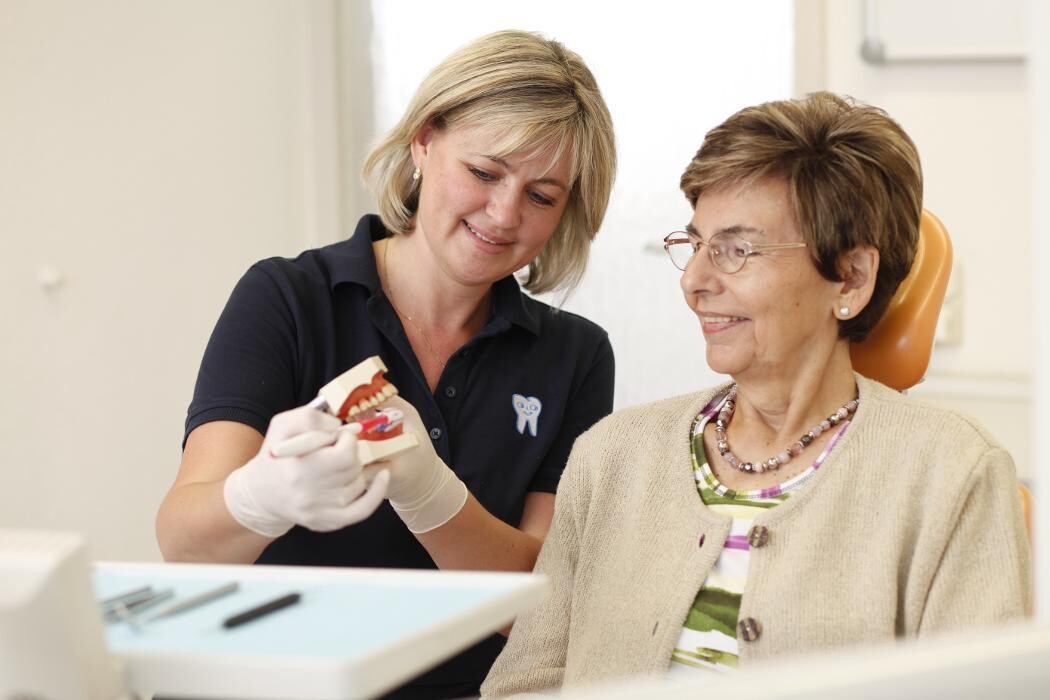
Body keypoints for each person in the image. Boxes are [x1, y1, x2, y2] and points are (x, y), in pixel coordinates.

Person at [481, 92, 1031, 697]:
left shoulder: (953, 474)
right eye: (695, 245)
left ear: (850, 278)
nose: (694, 282)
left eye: (737, 250)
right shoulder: (611, 457)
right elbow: (523, 684)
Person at [155, 29, 616, 699]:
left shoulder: (574, 355)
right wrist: (264, 496)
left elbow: (539, 605)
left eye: (542, 196)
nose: (503, 213)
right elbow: (184, 542)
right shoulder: (289, 298)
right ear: (424, 142)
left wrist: (428, 490)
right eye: (485, 172)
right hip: (268, 682)